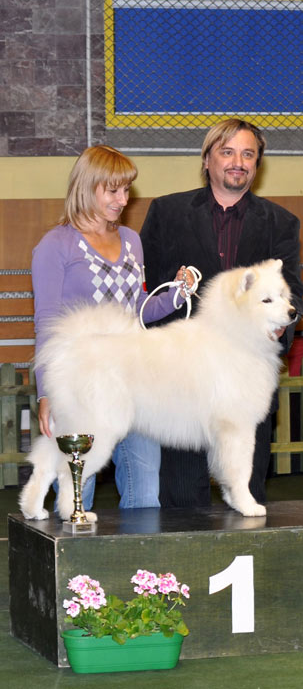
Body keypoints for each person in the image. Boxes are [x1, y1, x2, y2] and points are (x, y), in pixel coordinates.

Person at [141, 119, 303, 508]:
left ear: (258, 164)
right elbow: (148, 288)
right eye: (227, 152)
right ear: (207, 159)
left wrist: (281, 327)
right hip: (183, 382)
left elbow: (293, 292)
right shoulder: (166, 212)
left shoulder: (281, 222)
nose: (238, 162)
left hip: (248, 379)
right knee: (182, 503)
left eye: (248, 154)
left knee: (247, 497)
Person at [31, 145, 192, 511]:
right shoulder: (55, 246)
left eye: (127, 189)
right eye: (113, 190)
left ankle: (141, 552)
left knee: (146, 496)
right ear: (87, 187)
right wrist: (46, 393)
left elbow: (139, 309)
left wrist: (177, 295)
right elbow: (46, 324)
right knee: (77, 493)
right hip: (80, 385)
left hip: (136, 381)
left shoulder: (132, 241)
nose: (123, 200)